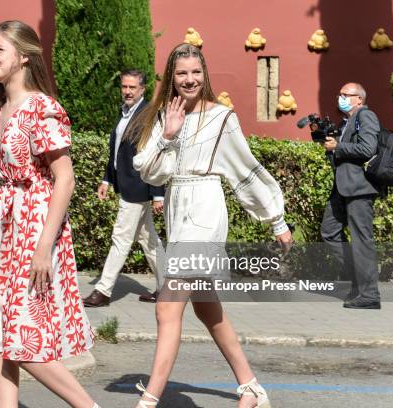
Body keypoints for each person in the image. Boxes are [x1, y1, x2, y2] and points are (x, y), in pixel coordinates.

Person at [131, 43, 292, 408]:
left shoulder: (222, 117)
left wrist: (276, 219)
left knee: (167, 306)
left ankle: (150, 400)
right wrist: (168, 135)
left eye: (196, 72)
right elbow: (149, 170)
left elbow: (244, 171)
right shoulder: (163, 116)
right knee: (206, 307)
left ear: (205, 74)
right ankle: (251, 387)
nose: (189, 79)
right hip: (177, 208)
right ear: (171, 77)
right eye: (182, 73)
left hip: (205, 210)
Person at [0, 20, 99, 408]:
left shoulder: (42, 107)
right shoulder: (0, 108)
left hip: (35, 226)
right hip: (4, 224)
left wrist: (43, 247)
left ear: (23, 56)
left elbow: (65, 179)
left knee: (26, 341)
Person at [82, 69, 164, 307]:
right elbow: (117, 150)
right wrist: (107, 180)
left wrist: (158, 193)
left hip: (138, 187)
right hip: (126, 183)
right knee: (149, 239)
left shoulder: (150, 115)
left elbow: (156, 156)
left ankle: (103, 290)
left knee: (120, 238)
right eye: (124, 87)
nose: (127, 92)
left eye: (132, 88)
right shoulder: (125, 112)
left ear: (142, 89)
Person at [320, 82, 381, 309]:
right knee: (329, 232)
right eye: (340, 94)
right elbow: (344, 151)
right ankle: (358, 280)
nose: (341, 97)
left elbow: (368, 148)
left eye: (347, 94)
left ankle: (369, 294)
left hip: (359, 187)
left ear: (359, 99)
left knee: (361, 239)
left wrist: (338, 147)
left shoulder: (366, 116)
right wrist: (330, 147)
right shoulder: (347, 121)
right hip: (343, 186)